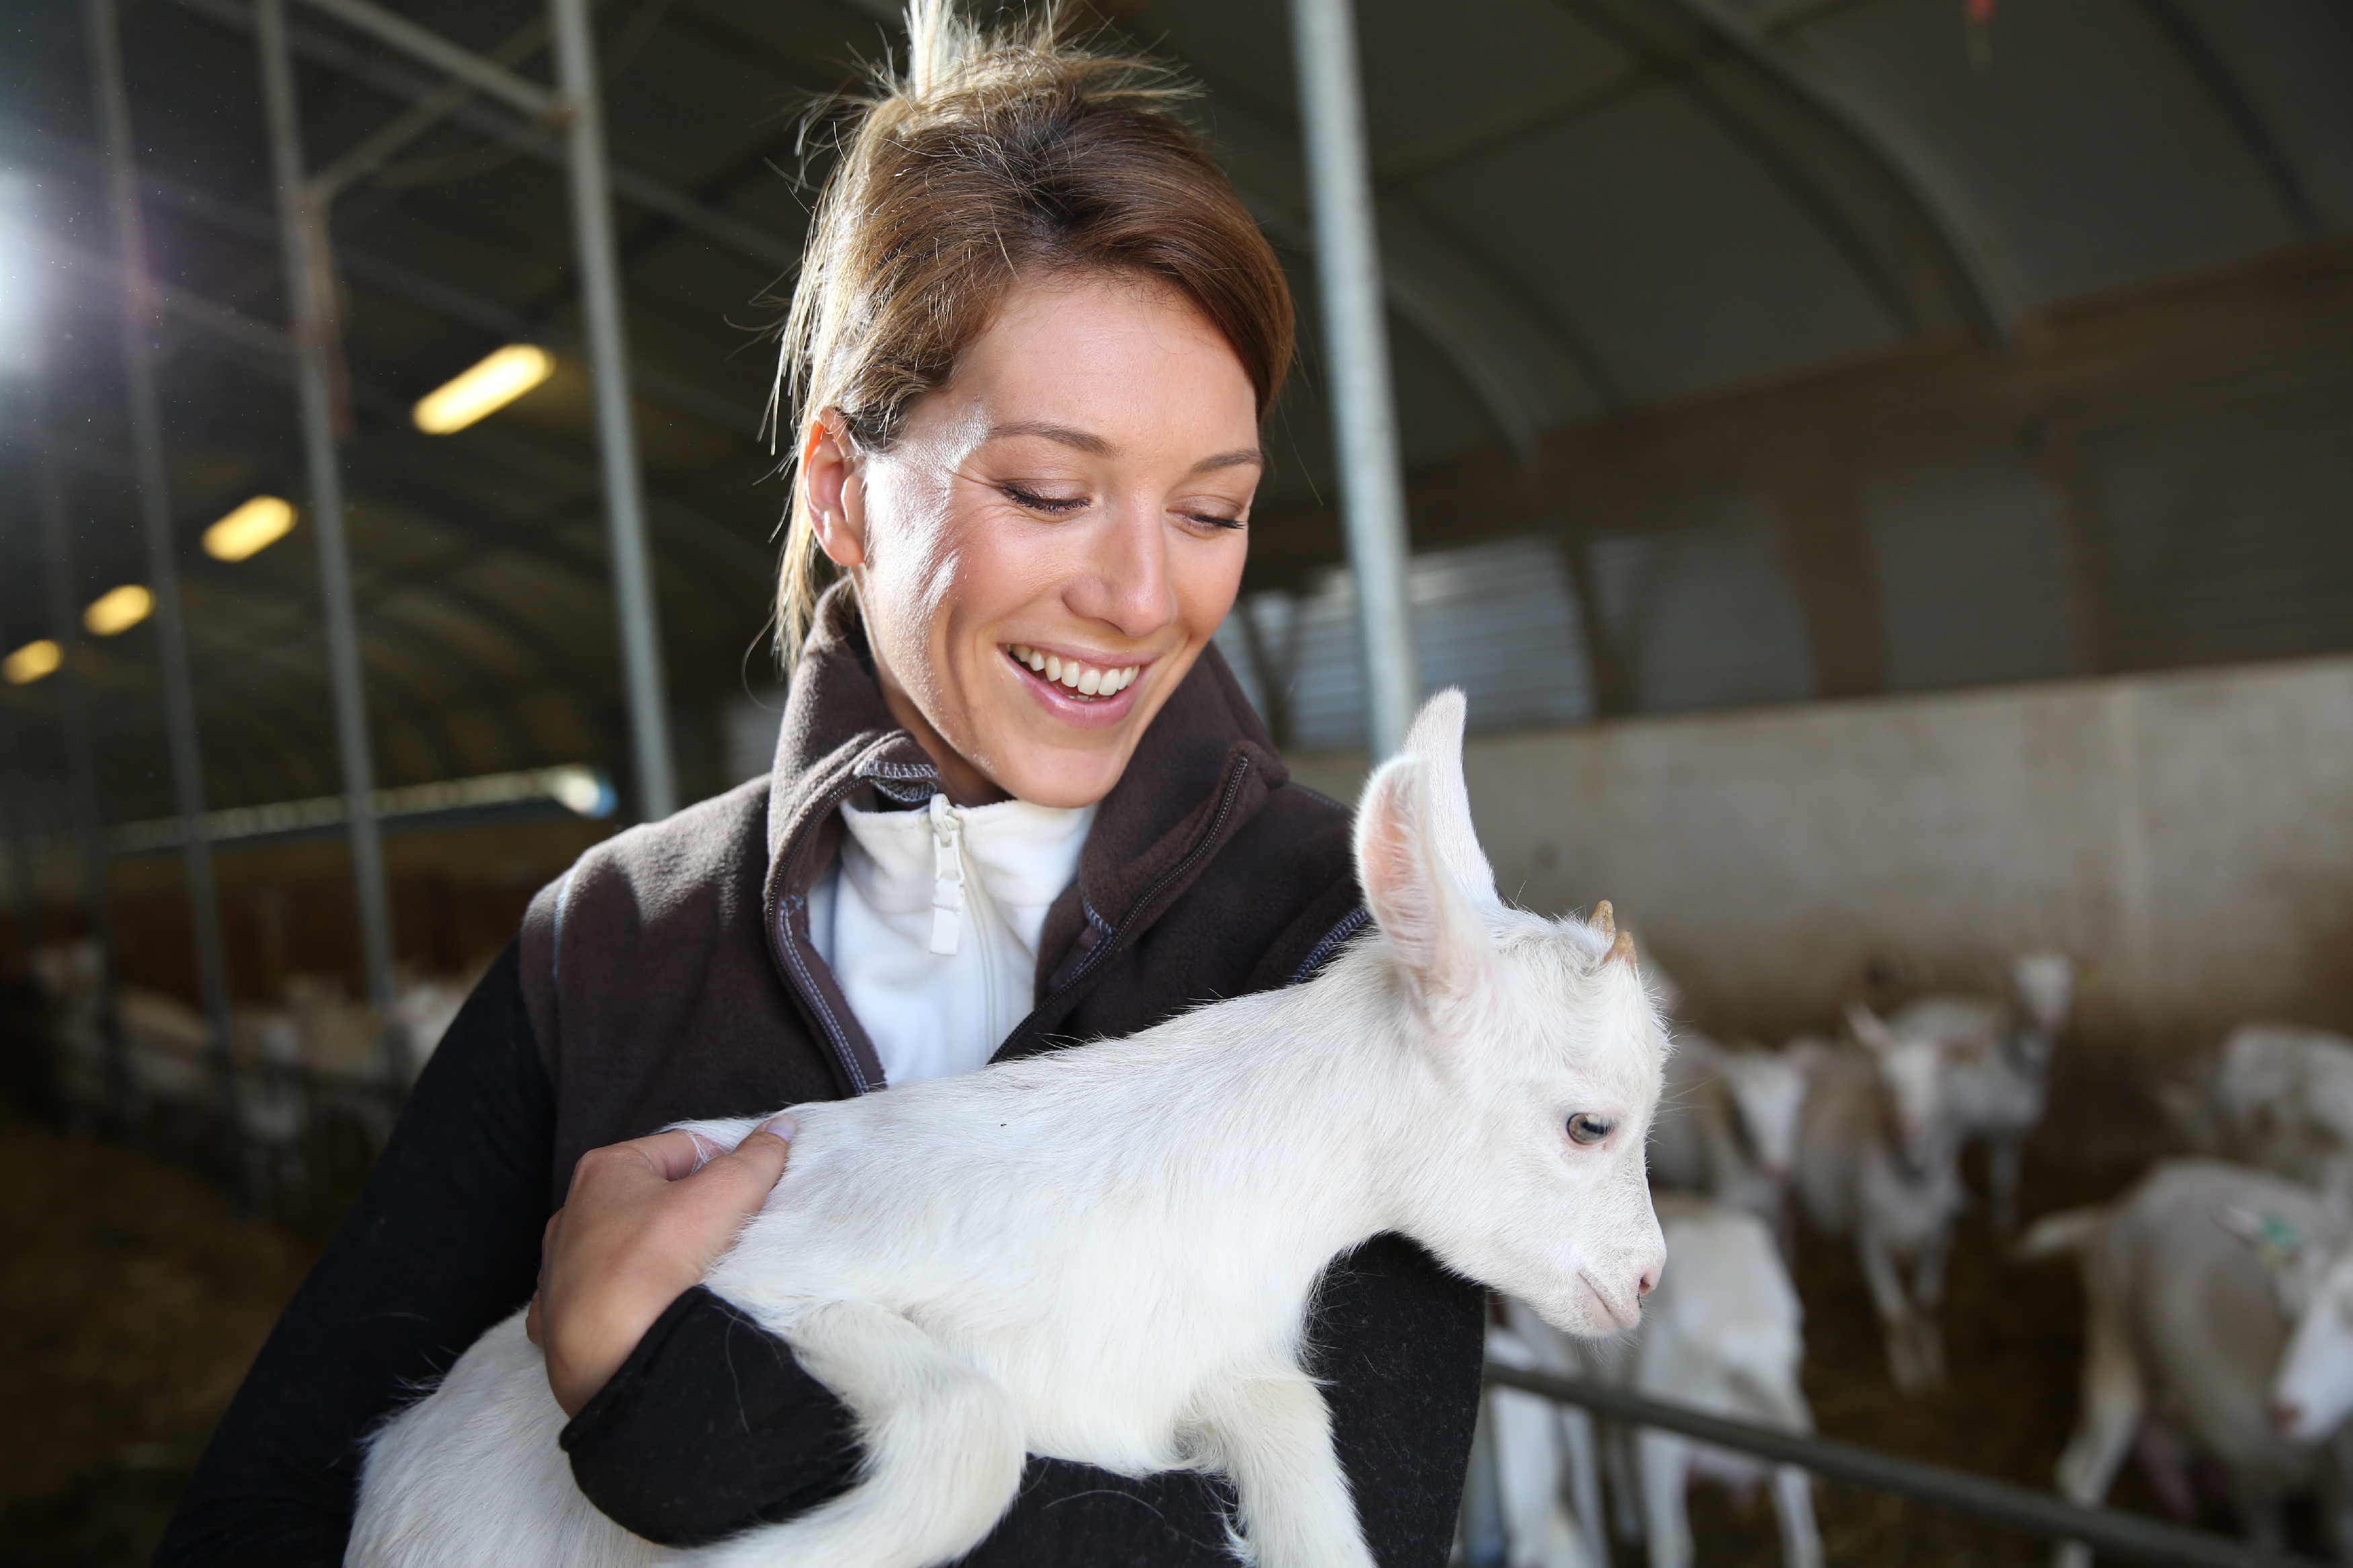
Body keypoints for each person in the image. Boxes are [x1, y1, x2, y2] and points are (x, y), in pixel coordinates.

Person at [154, 5, 1483, 1563]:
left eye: (1213, 511)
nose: (1141, 597)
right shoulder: (619, 945)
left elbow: (1354, 1529)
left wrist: (662, 1402)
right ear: (845, 492)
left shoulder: (1355, 948)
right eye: (1050, 491)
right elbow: (267, 1502)